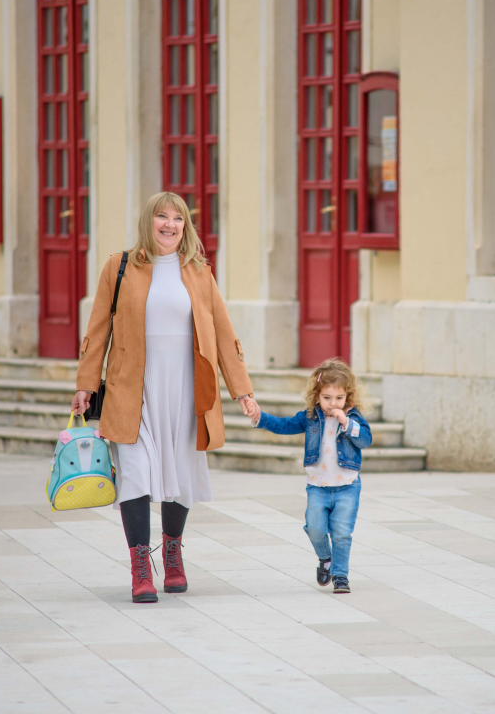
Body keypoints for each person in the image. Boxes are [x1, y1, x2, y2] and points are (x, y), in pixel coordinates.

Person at [72, 192, 257, 603]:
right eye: (161, 216)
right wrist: (86, 383)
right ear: (148, 221)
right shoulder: (119, 267)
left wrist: (242, 390)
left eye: (178, 218)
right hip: (131, 390)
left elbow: (223, 333)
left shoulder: (199, 272)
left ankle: (173, 554)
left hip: (185, 391)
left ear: (185, 226)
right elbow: (98, 329)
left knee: (180, 475)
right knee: (135, 473)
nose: (170, 224)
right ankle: (140, 566)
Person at [247, 359, 372, 593]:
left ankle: (340, 576)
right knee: (314, 528)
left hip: (347, 486)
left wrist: (346, 423)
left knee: (342, 533)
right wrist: (259, 417)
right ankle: (325, 557)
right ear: (317, 396)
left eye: (339, 398)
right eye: (327, 397)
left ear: (348, 396)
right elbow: (285, 425)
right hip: (317, 486)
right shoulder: (311, 417)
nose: (333, 403)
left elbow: (365, 440)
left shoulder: (353, 418)